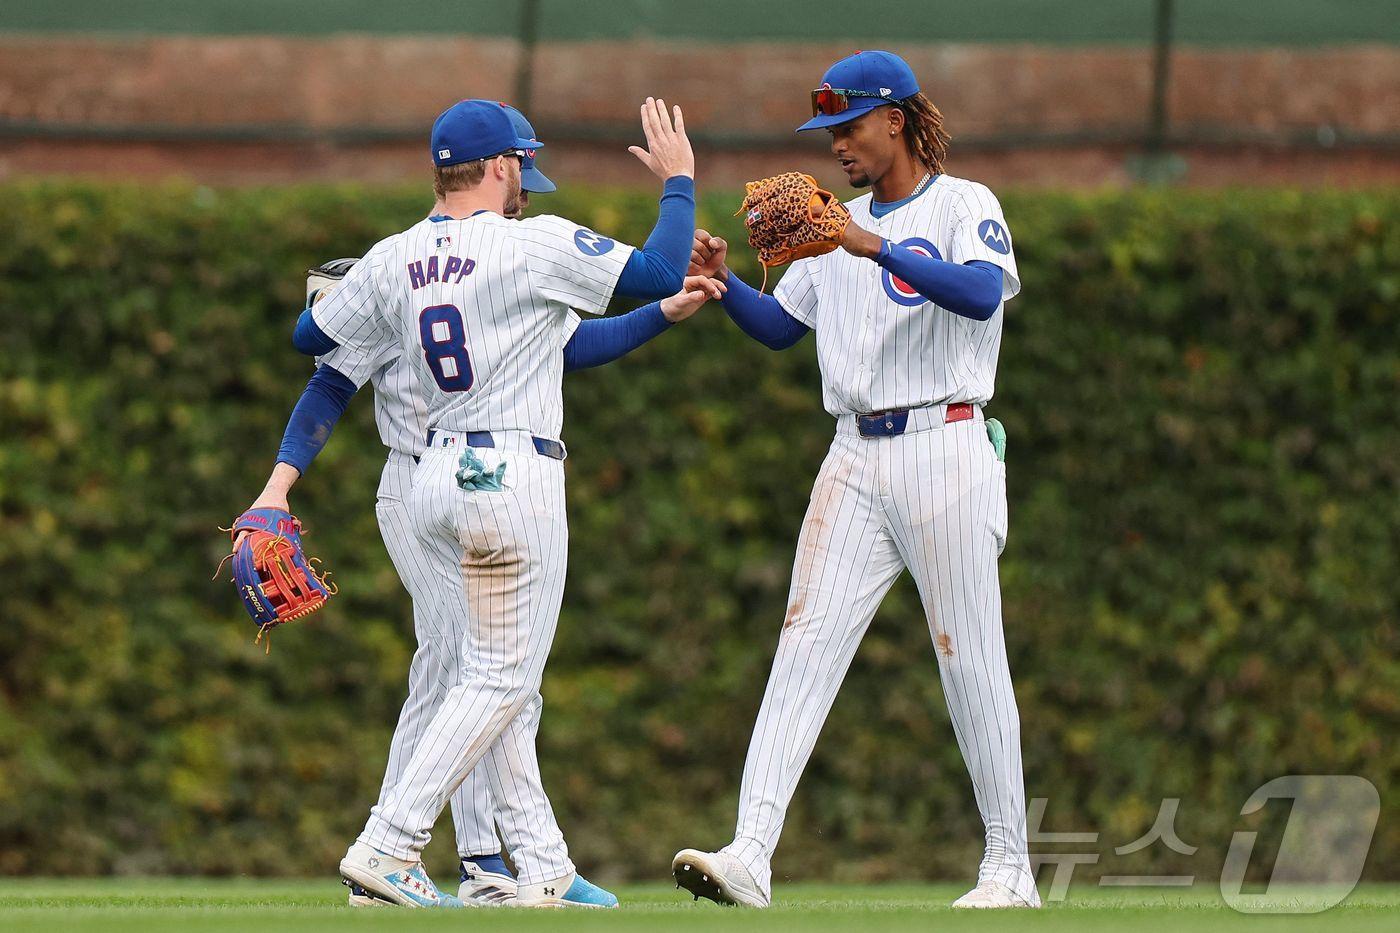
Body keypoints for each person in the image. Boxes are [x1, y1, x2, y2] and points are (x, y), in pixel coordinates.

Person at [242, 96, 720, 907]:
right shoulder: (525, 242)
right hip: (508, 475)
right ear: (501, 167)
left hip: (434, 475)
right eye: (521, 169)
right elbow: (656, 265)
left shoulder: (391, 258)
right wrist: (679, 183)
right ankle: (392, 844)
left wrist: (349, 293)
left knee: (480, 672)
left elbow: (308, 340)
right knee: (496, 677)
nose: (524, 183)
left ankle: (532, 865)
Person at [671, 50, 1038, 910]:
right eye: (828, 130)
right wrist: (724, 284)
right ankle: (750, 853)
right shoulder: (833, 228)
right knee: (802, 644)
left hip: (946, 442)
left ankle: (1009, 865)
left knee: (969, 656)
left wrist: (864, 241)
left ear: (897, 120)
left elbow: (982, 296)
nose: (836, 142)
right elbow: (780, 330)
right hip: (854, 452)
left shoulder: (961, 203)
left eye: (850, 125)